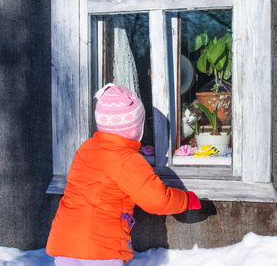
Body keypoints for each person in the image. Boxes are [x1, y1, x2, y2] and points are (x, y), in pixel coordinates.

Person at [46, 83, 201, 266]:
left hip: (65, 242)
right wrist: (186, 199)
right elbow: (156, 200)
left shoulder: (86, 148)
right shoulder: (127, 159)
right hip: (100, 250)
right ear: (136, 128)